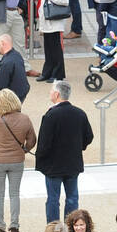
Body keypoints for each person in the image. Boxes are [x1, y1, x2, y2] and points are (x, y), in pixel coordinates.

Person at [0, 89, 38, 232]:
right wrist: (24, 150)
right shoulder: (25, 119)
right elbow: (32, 140)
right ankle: (14, 225)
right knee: (14, 194)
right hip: (17, 160)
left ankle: (0, 224)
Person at [34, 80, 93, 223]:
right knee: (72, 198)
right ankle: (72, 227)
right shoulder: (80, 113)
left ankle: (54, 229)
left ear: (57, 93)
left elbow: (44, 143)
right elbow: (89, 136)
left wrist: (40, 157)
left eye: (51, 91)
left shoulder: (51, 115)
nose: (50, 93)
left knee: (53, 199)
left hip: (53, 165)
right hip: (73, 162)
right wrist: (79, 147)